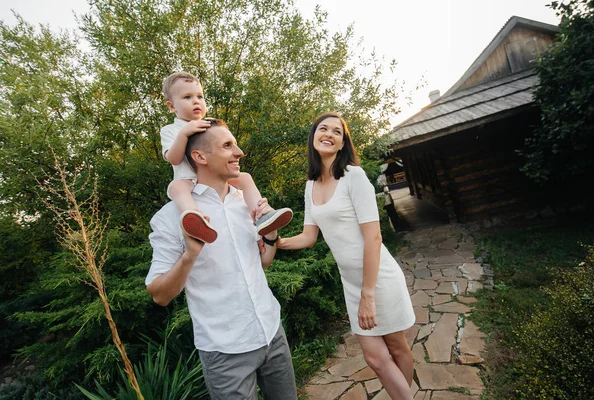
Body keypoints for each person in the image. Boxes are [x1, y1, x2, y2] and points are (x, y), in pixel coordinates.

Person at [146, 119, 297, 400]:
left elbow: (263, 264)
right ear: (200, 157)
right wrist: (189, 256)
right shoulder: (172, 218)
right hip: (225, 351)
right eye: (228, 146)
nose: (239, 152)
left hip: (271, 332)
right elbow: (159, 295)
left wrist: (271, 237)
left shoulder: (248, 203)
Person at [277, 112, 415, 399]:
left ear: (342, 143)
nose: (328, 134)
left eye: (336, 132)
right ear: (313, 137)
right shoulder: (310, 185)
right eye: (322, 129)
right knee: (375, 359)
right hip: (352, 284)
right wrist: (276, 241)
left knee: (396, 347)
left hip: (377, 280)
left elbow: (373, 237)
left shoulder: (354, 176)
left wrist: (368, 294)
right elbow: (309, 236)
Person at [160, 71, 292, 243]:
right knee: (176, 187)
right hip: (188, 180)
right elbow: (174, 159)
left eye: (200, 96)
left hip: (217, 178)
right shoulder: (171, 130)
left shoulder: (210, 125)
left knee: (245, 178)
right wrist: (184, 134)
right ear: (172, 106)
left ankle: (262, 214)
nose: (196, 101)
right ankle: (196, 219)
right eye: (187, 97)